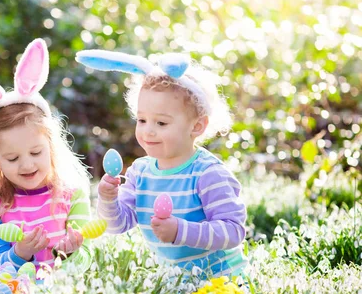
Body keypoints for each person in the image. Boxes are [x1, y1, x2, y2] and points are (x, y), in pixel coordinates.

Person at [76, 50, 247, 278]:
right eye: (142, 120)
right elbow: (118, 225)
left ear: (196, 126)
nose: (148, 130)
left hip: (221, 280)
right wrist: (108, 199)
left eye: (161, 122)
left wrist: (180, 231)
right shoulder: (141, 172)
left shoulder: (208, 173)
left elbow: (233, 231)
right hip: (174, 282)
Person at [0, 38, 91, 270]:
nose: (26, 165)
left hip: (63, 292)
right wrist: (20, 253)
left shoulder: (71, 196)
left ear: (51, 146)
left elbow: (88, 259)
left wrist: (72, 251)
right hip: (14, 293)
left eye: (35, 152)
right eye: (12, 158)